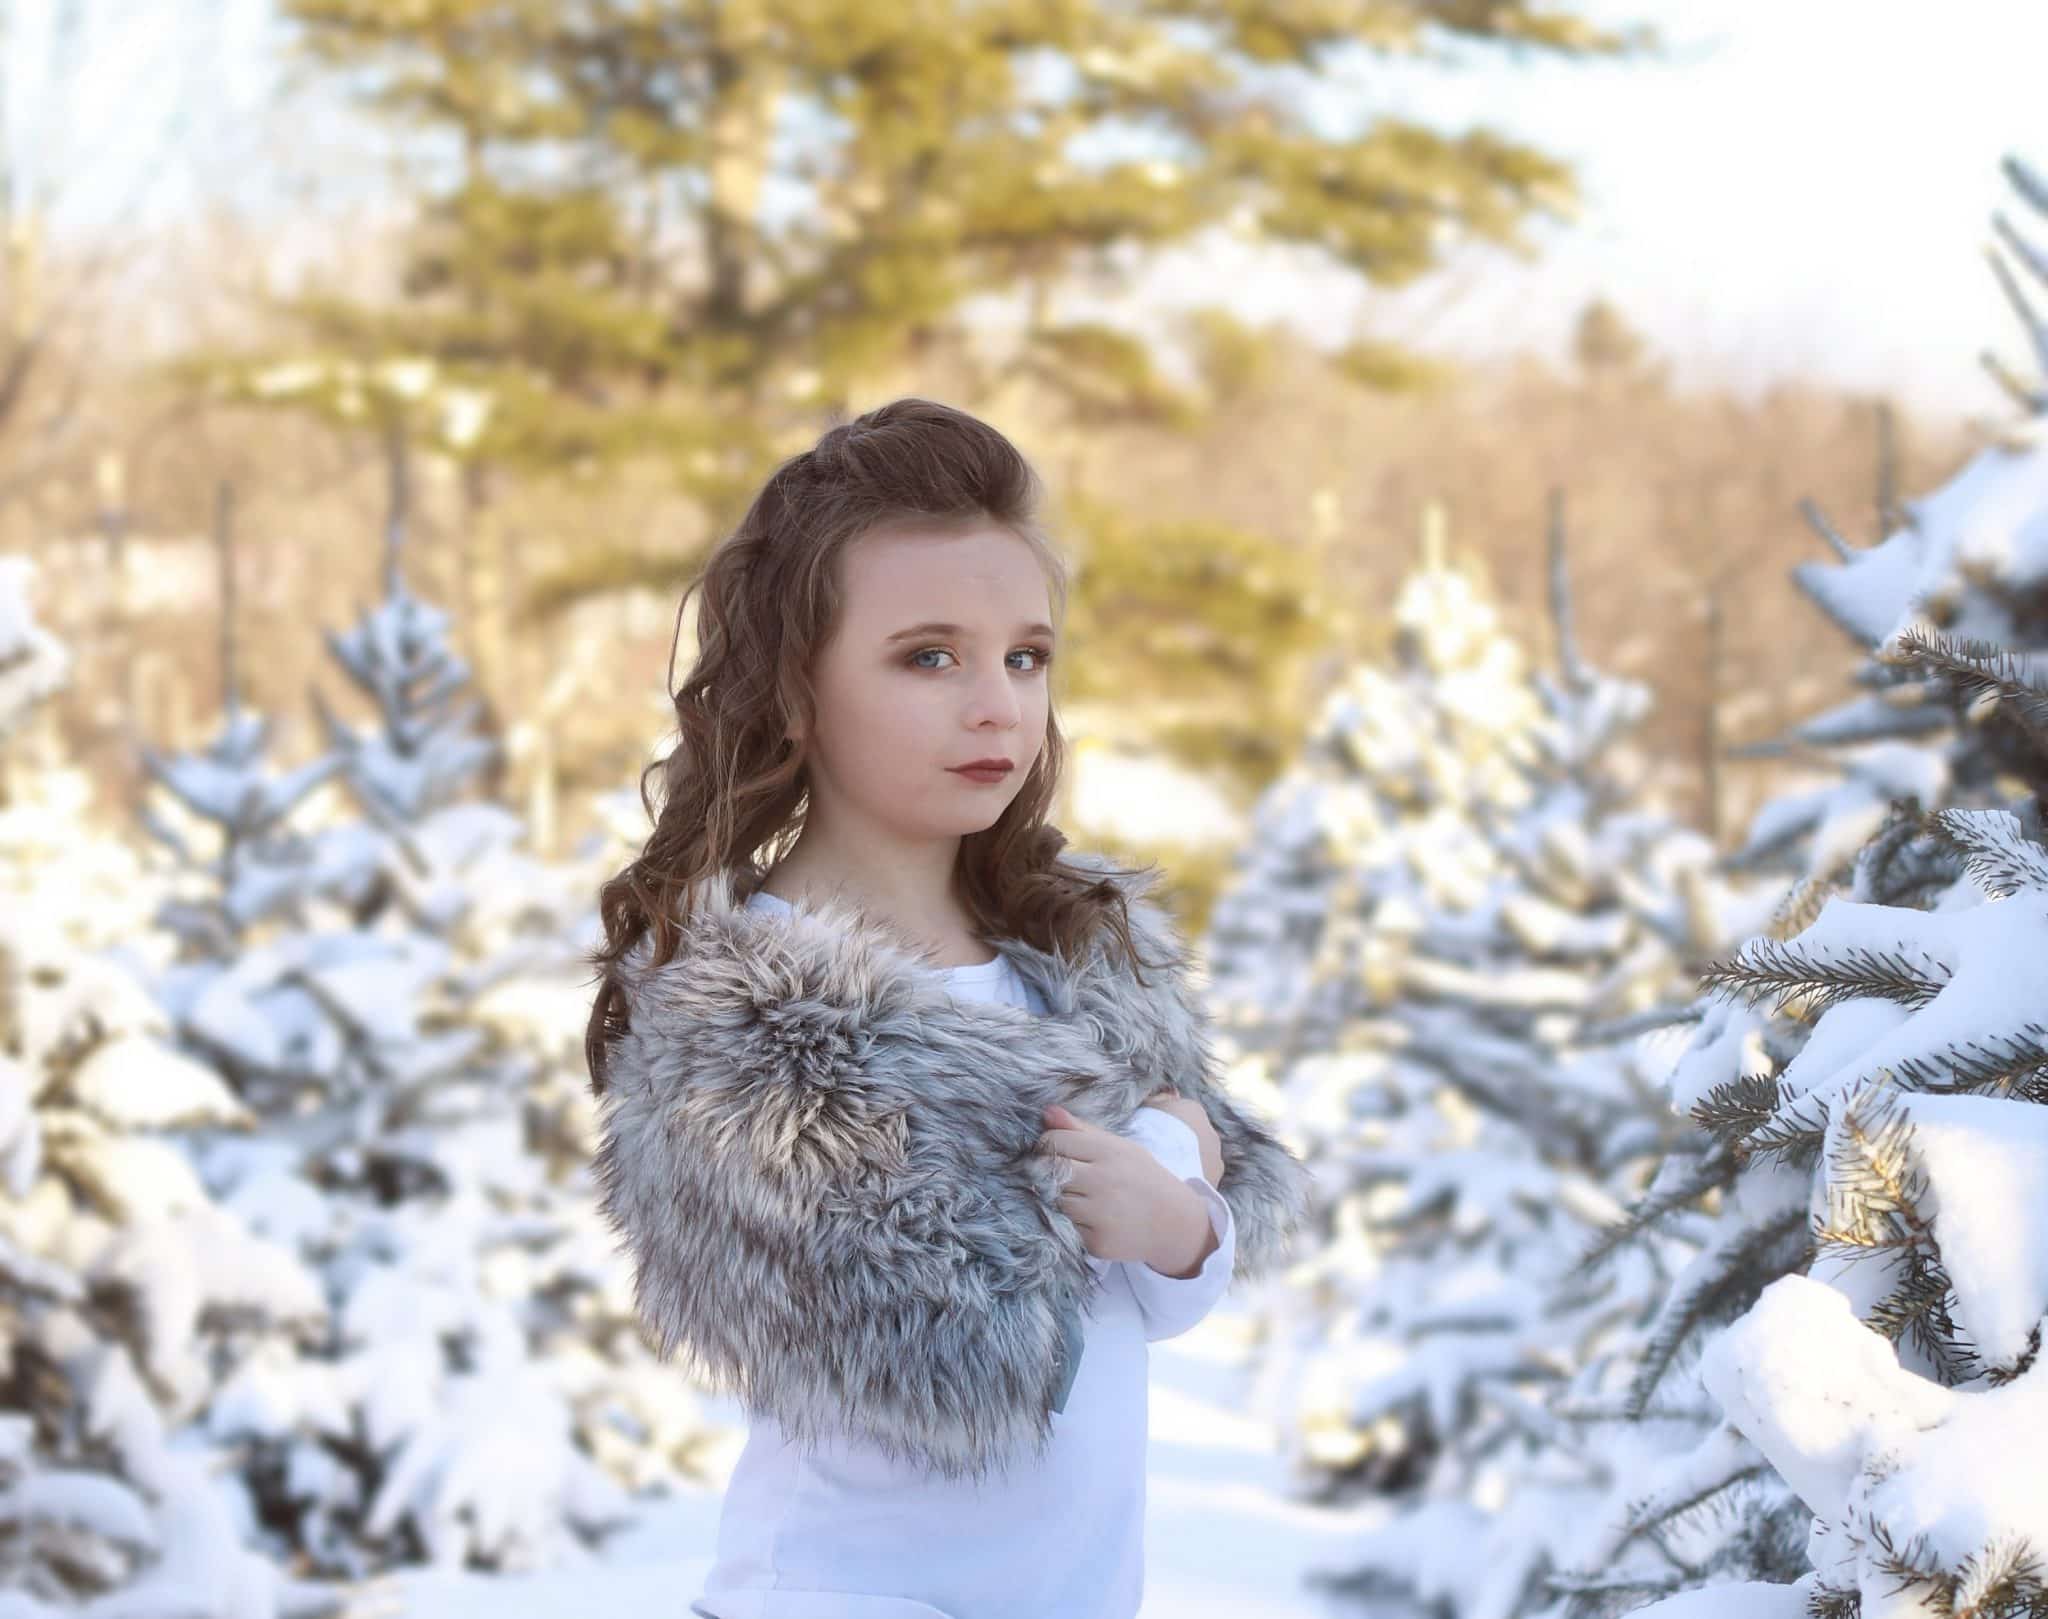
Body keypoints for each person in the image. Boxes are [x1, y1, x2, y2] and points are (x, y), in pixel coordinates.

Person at [580, 397, 1310, 1619]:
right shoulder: (745, 1005)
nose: (996, 704)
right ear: (795, 694)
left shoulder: (1070, 955)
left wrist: (1174, 1218)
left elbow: (1177, 1263)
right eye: (929, 655)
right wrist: (1168, 1149)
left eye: (1024, 655)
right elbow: (968, 1346)